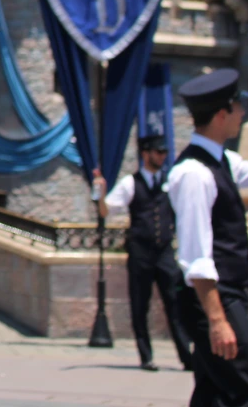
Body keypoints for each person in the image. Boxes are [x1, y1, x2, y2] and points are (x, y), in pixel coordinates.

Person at [170, 68, 248, 407]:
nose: (243, 113)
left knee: (213, 396)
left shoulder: (221, 161)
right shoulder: (194, 174)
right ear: (221, 114)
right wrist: (216, 320)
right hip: (213, 299)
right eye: (238, 106)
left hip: (225, 296)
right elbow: (195, 256)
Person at [94, 134, 194, 371]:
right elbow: (106, 211)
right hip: (141, 254)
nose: (162, 157)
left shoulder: (170, 182)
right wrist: (100, 193)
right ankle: (146, 356)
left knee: (175, 304)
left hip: (164, 253)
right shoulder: (131, 183)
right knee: (140, 306)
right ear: (146, 154)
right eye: (158, 152)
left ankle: (186, 357)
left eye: (164, 152)